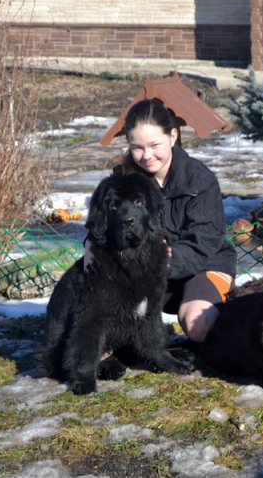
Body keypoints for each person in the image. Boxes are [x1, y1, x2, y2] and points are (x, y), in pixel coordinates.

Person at [91, 98, 236, 343]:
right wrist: (90, 245)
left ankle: (223, 336)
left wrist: (160, 258)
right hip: (142, 269)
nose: (146, 155)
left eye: (154, 144)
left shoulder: (200, 180)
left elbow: (204, 242)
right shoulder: (123, 179)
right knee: (102, 338)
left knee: (197, 324)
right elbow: (102, 221)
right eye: (137, 147)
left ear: (172, 136)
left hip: (202, 267)